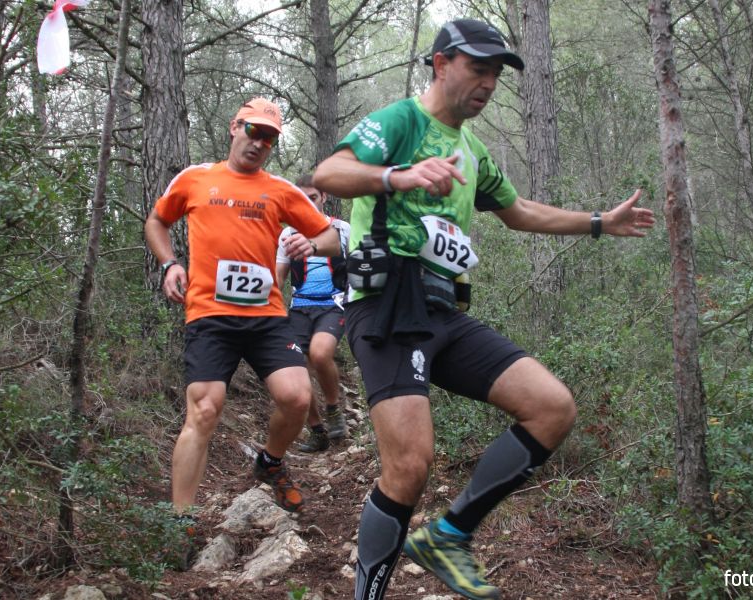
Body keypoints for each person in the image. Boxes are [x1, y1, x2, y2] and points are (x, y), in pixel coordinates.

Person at [313, 18, 656, 600]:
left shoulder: (472, 151)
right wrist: (399, 175)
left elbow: (519, 212)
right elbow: (329, 172)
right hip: (389, 307)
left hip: (443, 311)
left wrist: (599, 222)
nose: (489, 83)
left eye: (496, 73)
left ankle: (449, 536)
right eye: (478, 68)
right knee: (409, 467)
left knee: (551, 407)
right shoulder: (400, 121)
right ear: (441, 63)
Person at [144, 97, 340, 518]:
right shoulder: (196, 178)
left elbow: (331, 238)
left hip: (266, 317)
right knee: (204, 409)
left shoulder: (281, 190)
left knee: (297, 397)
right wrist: (169, 263)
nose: (259, 143)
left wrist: (311, 243)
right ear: (235, 127)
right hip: (210, 315)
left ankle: (270, 462)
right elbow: (157, 221)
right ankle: (181, 519)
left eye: (268, 138)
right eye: (253, 131)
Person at [275, 175, 351, 452]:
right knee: (294, 371)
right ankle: (317, 431)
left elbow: (359, 268)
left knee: (319, 354)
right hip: (299, 307)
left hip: (333, 304)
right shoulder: (288, 234)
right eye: (302, 198)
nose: (308, 203)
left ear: (324, 197)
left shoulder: (341, 229)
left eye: (313, 197)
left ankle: (333, 409)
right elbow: (279, 275)